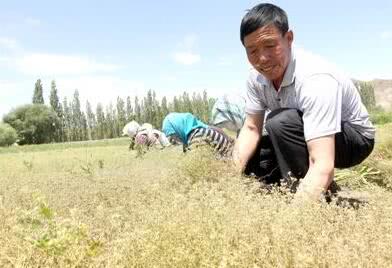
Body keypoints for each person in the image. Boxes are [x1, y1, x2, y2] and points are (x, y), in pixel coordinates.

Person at [233, 3, 375, 200]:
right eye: (252, 51)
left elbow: (322, 164)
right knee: (252, 149)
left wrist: (296, 221)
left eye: (270, 45)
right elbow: (251, 129)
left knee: (280, 122)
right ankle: (279, 195)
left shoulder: (315, 77)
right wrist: (228, 178)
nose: (262, 59)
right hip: (304, 133)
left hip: (353, 139)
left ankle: (318, 198)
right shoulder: (255, 79)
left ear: (289, 39)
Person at [162, 112, 234, 156]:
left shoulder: (197, 137)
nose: (172, 142)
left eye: (172, 137)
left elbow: (200, 166)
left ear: (178, 129)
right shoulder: (199, 131)